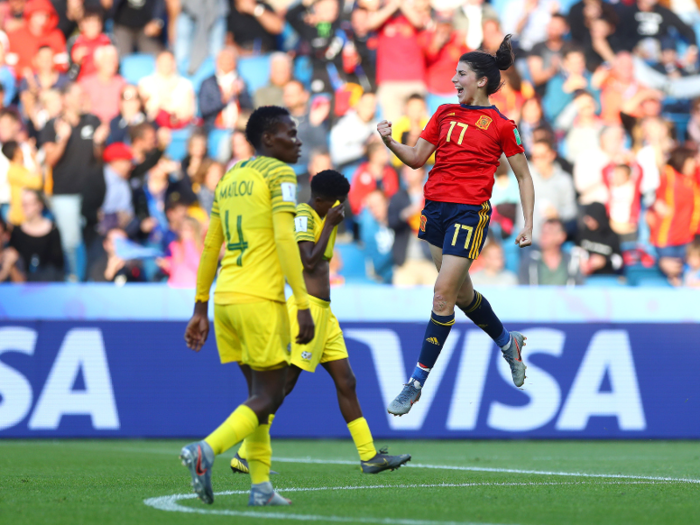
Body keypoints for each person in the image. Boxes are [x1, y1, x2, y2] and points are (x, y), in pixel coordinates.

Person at [377, 35, 535, 416]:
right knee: (461, 297)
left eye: (460, 73)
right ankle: (506, 342)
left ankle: (414, 385)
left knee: (441, 296)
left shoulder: (502, 125)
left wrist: (529, 222)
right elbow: (416, 158)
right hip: (434, 210)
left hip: (468, 213)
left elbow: (524, 177)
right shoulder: (444, 113)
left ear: (481, 80)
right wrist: (389, 142)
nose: (453, 80)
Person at [231, 169, 410, 474]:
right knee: (282, 386)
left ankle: (369, 456)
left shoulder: (321, 215)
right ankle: (245, 453)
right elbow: (308, 260)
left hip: (325, 314)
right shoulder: (303, 216)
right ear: (320, 199)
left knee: (347, 381)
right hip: (307, 312)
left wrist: (329, 223)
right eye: (336, 202)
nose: (340, 207)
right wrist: (329, 225)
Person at [181, 106, 314, 507]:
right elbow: (285, 240)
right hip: (260, 299)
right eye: (290, 133)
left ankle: (260, 486)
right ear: (269, 139)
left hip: (225, 299)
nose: (298, 140)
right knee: (269, 397)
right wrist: (303, 303)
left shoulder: (230, 178)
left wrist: (200, 307)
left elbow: (210, 246)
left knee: (257, 397)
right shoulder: (279, 174)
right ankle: (206, 450)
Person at [647, 146, 700, 286]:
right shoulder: (669, 175)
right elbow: (654, 182)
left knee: (685, 278)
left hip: (687, 238)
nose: (694, 164)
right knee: (669, 275)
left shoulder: (693, 180)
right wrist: (655, 203)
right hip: (667, 237)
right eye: (690, 161)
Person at [388, 165, 437, 286]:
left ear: (422, 173)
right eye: (404, 170)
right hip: (406, 262)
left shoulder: (433, 196)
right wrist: (404, 215)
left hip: (430, 261)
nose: (406, 173)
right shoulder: (398, 197)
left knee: (437, 300)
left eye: (411, 170)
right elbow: (391, 222)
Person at [9, 189, 64, 281]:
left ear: (39, 205)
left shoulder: (53, 230)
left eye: (29, 204)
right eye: (23, 204)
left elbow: (58, 263)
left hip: (47, 283)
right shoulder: (17, 231)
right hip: (23, 284)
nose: (25, 207)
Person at [198, 47, 252, 131]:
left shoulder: (241, 82)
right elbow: (204, 110)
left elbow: (249, 109)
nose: (227, 63)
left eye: (229, 60)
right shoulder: (208, 83)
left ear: (235, 63)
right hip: (214, 127)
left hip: (238, 128)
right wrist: (223, 100)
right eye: (223, 60)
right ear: (217, 62)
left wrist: (240, 94)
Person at [518, 218, 583, 285]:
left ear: (562, 236)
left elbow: (579, 288)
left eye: (550, 232)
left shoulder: (572, 262)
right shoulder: (529, 261)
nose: (544, 235)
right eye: (543, 231)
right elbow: (524, 290)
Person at [329, 91, 378, 169]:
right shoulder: (344, 125)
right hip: (347, 169)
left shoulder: (377, 125)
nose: (372, 108)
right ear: (358, 104)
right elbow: (336, 156)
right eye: (368, 104)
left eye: (374, 105)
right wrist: (363, 149)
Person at [577, 202, 623, 276]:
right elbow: (576, 250)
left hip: (606, 277)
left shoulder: (612, 236)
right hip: (586, 277)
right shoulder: (583, 233)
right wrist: (582, 260)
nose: (588, 222)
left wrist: (604, 261)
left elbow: (619, 261)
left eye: (591, 219)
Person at [2, 140, 42, 226]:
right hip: (21, 217)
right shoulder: (14, 171)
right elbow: (37, 183)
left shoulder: (20, 169)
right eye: (20, 149)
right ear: (16, 152)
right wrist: (35, 159)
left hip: (26, 215)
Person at [67, 6, 112, 81]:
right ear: (81, 25)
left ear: (100, 25)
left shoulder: (107, 41)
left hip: (103, 80)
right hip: (83, 80)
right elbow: (70, 67)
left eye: (95, 24)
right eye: (89, 24)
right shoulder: (76, 42)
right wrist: (76, 61)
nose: (92, 27)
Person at [0, 215, 24, 282]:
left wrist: (11, 266)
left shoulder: (12, 256)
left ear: (6, 236)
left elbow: (21, 286)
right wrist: (4, 272)